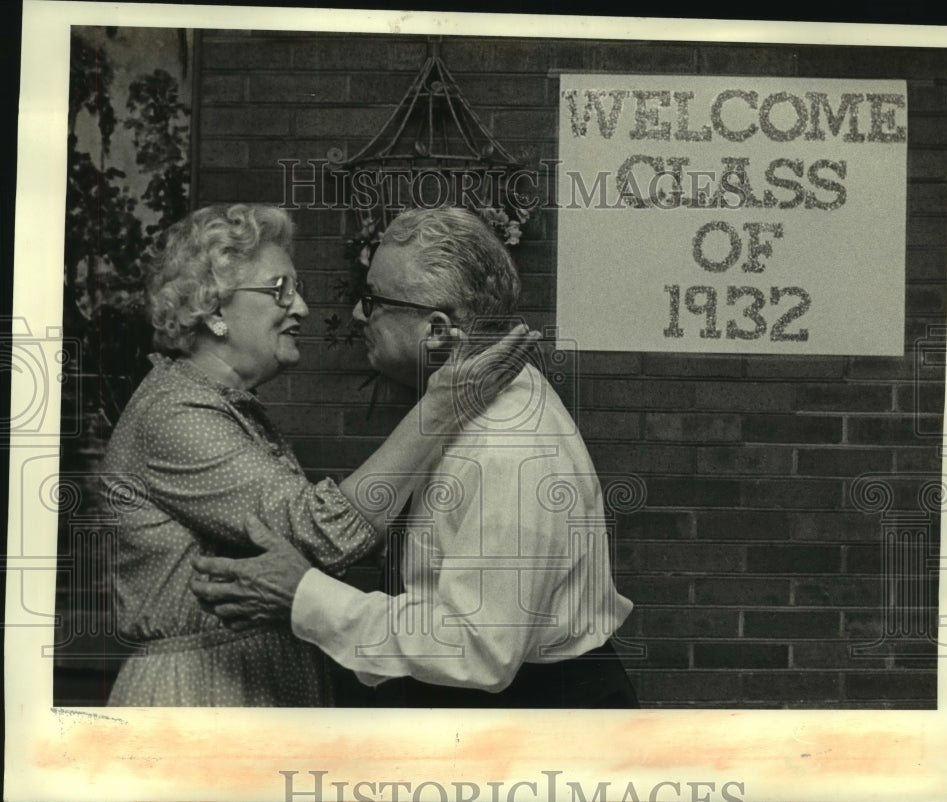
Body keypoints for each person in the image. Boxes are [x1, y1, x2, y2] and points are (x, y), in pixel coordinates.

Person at [192, 206, 638, 708]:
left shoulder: (507, 444)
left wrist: (307, 598)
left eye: (374, 300)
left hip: (539, 723)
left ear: (438, 328)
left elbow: (477, 650)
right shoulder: (469, 407)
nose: (359, 314)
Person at [101, 203, 536, 707]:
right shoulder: (175, 417)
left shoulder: (224, 408)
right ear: (215, 309)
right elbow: (324, 534)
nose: (302, 308)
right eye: (279, 290)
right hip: (202, 698)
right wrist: (441, 407)